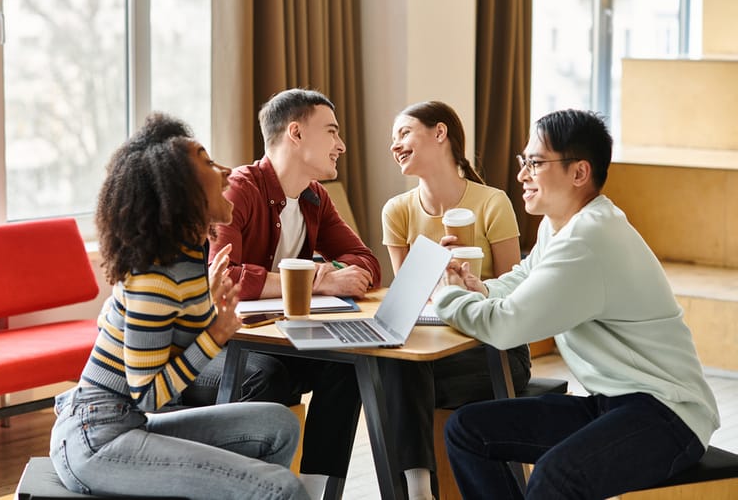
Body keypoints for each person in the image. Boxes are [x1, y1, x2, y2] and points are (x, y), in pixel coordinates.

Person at [435, 109, 720, 499]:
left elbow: (506, 328)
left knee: (557, 478)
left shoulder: (588, 239)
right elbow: (523, 279)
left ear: (579, 173)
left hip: (667, 416)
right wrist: (476, 289)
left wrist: (448, 295)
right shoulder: (561, 225)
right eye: (525, 162)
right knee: (468, 431)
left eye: (535, 163)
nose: (522, 174)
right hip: (611, 404)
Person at [49, 113, 309, 500]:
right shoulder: (156, 280)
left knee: (278, 424)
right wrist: (216, 333)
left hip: (124, 423)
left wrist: (209, 308)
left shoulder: (187, 258)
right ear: (180, 189)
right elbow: (151, 396)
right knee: (281, 488)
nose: (225, 170)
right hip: (96, 438)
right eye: (207, 162)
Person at [202, 88, 382, 499]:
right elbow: (225, 275)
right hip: (216, 349)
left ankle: (317, 491)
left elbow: (366, 261)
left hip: (278, 342)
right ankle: (254, 492)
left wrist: (330, 271)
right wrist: (318, 279)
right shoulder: (237, 189)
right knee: (267, 375)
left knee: (349, 364)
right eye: (332, 132)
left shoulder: (316, 197)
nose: (342, 145)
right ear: (296, 133)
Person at [380, 100, 532, 499]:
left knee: (405, 374)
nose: (394, 145)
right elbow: (406, 302)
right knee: (397, 364)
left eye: (404, 133)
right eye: (393, 138)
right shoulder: (397, 211)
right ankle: (418, 492)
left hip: (494, 351)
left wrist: (467, 286)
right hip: (432, 350)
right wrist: (431, 267)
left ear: (440, 133)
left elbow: (514, 289)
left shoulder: (492, 202)